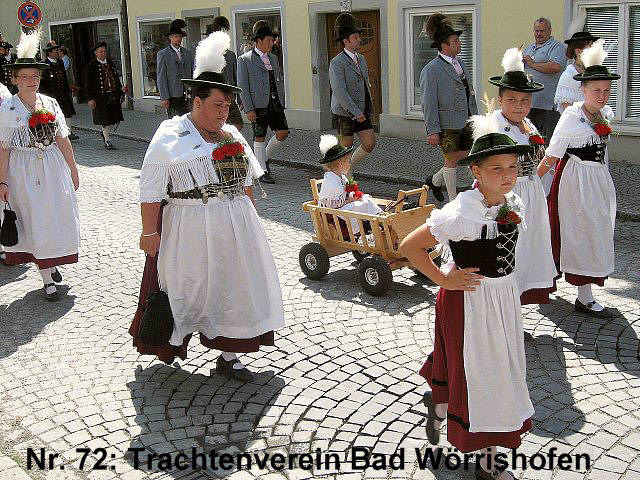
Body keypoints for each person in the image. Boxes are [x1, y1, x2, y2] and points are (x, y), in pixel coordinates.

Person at [131, 31, 284, 381]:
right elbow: (150, 188)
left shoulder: (233, 134)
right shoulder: (170, 136)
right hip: (187, 224)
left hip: (233, 222)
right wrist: (149, 231)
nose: (224, 111)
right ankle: (168, 341)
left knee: (233, 286)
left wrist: (251, 227)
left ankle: (230, 354)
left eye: (227, 105)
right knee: (187, 286)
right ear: (196, 102)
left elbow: (246, 185)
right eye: (217, 104)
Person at [400, 111, 534, 480]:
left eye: (512, 166)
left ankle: (439, 405)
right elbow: (410, 246)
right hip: (468, 302)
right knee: (478, 374)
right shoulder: (461, 212)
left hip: (502, 301)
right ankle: (488, 463)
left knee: (502, 371)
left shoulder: (513, 203)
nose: (507, 175)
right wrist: (444, 279)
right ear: (475, 171)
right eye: (496, 168)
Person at [538, 40, 619, 318]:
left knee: (596, 233)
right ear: (582, 89)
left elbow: (603, 153)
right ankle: (584, 296)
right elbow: (551, 156)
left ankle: (585, 292)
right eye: (596, 90)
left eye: (606, 90)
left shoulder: (604, 114)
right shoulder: (572, 117)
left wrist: (605, 184)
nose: (602, 95)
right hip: (574, 183)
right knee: (579, 235)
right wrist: (531, 185)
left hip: (596, 181)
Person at [0, 28, 80, 301]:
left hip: (52, 167)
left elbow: (62, 139)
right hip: (22, 171)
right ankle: (47, 277)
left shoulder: (50, 103)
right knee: (34, 221)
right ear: (15, 80)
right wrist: (2, 181)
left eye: (34, 76)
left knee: (54, 217)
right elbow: (3, 148)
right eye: (24, 77)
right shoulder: (6, 109)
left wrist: (73, 170)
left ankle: (51, 262)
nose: (30, 81)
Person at [488, 47, 557, 305]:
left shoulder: (530, 125)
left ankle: (518, 304)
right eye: (512, 100)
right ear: (500, 100)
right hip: (508, 194)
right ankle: (506, 307)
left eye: (525, 100)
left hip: (531, 193)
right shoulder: (494, 125)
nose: (519, 106)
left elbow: (540, 160)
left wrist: (535, 182)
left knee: (529, 249)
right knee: (510, 250)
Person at [421, 13, 478, 203]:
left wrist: (476, 117)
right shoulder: (431, 69)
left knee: (468, 155)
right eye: (455, 41)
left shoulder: (460, 63)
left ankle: (435, 181)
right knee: (451, 159)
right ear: (444, 46)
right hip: (447, 124)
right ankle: (453, 201)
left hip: (467, 120)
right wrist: (433, 130)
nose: (459, 43)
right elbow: (428, 101)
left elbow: (469, 92)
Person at [237, 20, 288, 184]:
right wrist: (249, 109)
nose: (272, 43)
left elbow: (278, 81)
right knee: (260, 136)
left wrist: (282, 100)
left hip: (275, 102)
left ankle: (263, 157)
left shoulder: (273, 58)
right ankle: (262, 171)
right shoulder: (245, 59)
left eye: (272, 40)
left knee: (282, 133)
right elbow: (242, 86)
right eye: (268, 40)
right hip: (257, 104)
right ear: (258, 41)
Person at [329, 13, 376, 171]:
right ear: (346, 41)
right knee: (345, 147)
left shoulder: (361, 58)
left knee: (369, 143)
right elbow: (340, 91)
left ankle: (348, 168)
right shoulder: (337, 63)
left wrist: (367, 109)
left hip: (361, 110)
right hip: (345, 112)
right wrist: (355, 112)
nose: (359, 39)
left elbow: (364, 84)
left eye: (358, 36)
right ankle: (339, 177)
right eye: (356, 37)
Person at [317, 134, 382, 233]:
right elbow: (333, 205)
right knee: (358, 206)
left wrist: (357, 196)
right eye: (349, 161)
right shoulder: (331, 183)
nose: (350, 164)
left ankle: (380, 218)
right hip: (334, 214)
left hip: (340, 210)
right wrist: (352, 199)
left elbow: (348, 194)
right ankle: (364, 228)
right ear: (340, 164)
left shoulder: (341, 177)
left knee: (366, 200)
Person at [523, 17, 566, 142]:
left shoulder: (557, 47)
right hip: (529, 104)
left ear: (550, 30)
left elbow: (555, 67)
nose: (539, 34)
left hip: (547, 106)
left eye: (542, 31)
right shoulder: (529, 48)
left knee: (547, 143)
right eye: (536, 31)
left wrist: (532, 64)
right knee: (530, 141)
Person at [85, 41, 125, 150]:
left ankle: (104, 133)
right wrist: (90, 98)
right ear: (96, 53)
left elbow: (116, 79)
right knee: (105, 119)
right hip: (100, 98)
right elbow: (88, 84)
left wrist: (121, 93)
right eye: (101, 52)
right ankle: (107, 141)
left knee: (114, 119)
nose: (103, 54)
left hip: (113, 96)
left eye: (104, 51)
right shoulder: (92, 66)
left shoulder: (110, 64)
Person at [207, 16, 244, 131]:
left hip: (229, 97)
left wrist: (240, 99)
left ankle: (226, 143)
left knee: (237, 124)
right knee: (216, 126)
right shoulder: (206, 55)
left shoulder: (231, 55)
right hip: (214, 98)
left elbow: (235, 77)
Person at [40, 42, 78, 141]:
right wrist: (43, 95)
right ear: (49, 53)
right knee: (53, 114)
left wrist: (68, 89)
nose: (58, 53)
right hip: (52, 94)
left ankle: (68, 132)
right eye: (55, 51)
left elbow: (64, 77)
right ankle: (54, 132)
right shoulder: (44, 64)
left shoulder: (60, 62)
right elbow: (42, 82)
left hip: (63, 92)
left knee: (67, 112)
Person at [157, 19, 195, 118]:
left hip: (187, 95)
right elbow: (161, 77)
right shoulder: (163, 54)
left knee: (188, 122)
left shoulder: (188, 53)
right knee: (175, 123)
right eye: (176, 36)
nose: (178, 39)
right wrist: (164, 98)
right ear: (170, 37)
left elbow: (192, 73)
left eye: (180, 37)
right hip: (173, 95)